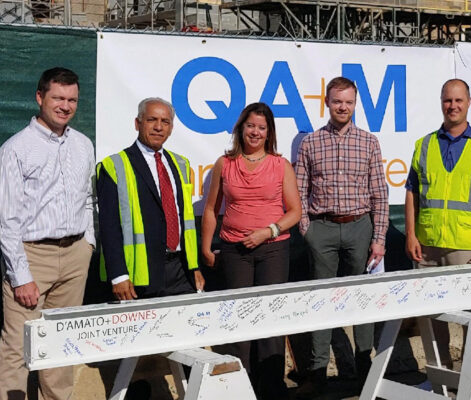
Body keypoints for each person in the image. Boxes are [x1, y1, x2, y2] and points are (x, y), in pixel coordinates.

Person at [0, 67, 95, 400]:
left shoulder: (83, 145)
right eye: (58, 98)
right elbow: (6, 220)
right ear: (40, 98)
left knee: (61, 344)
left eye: (72, 100)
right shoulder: (16, 149)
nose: (65, 106)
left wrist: (88, 244)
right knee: (17, 347)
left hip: (74, 256)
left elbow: (87, 198)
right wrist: (20, 275)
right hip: (31, 256)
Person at [294, 77, 389, 397]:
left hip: (360, 228)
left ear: (355, 103)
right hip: (321, 230)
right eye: (337, 101)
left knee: (361, 300)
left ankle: (365, 368)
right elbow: (299, 190)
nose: (343, 107)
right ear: (327, 102)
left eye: (348, 102)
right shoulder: (310, 143)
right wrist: (307, 229)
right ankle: (318, 372)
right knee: (322, 301)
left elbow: (380, 194)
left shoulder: (369, 142)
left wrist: (379, 238)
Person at [201, 102, 301, 399]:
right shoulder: (225, 163)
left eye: (261, 127)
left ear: (268, 132)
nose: (255, 132)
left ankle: (271, 389)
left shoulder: (280, 165)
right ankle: (236, 389)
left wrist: (267, 232)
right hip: (233, 252)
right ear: (241, 128)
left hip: (272, 251)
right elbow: (210, 209)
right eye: (250, 126)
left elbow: (294, 212)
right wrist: (207, 248)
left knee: (269, 322)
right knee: (237, 322)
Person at [404, 78, 471, 367]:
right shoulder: (424, 145)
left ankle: (470, 381)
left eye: (459, 100)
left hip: (467, 248)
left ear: (469, 103)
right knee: (432, 318)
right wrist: (411, 234)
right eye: (448, 100)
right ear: (441, 103)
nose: (453, 106)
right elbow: (412, 192)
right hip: (428, 247)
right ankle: (440, 378)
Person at [97, 97, 204, 300]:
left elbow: (185, 222)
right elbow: (108, 226)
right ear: (138, 123)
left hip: (180, 270)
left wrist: (194, 266)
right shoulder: (114, 166)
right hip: (139, 276)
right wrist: (118, 275)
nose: (158, 127)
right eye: (151, 120)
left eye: (165, 122)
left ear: (171, 128)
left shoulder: (181, 164)